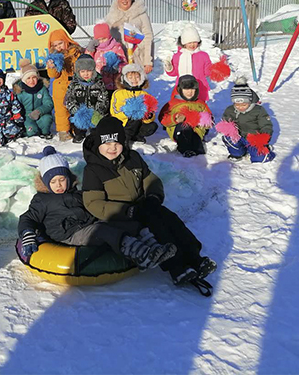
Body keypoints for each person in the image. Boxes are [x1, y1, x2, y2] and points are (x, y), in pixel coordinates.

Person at [82, 116, 217, 295]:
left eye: (117, 143)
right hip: (119, 217)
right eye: (107, 144)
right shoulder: (93, 170)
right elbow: (94, 203)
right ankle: (177, 268)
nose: (112, 148)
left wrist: (153, 195)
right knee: (157, 228)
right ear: (99, 144)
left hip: (143, 207)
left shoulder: (133, 158)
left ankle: (195, 258)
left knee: (170, 219)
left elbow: (150, 179)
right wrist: (126, 211)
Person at [18, 147, 174, 269]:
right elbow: (27, 218)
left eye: (62, 179)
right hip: (69, 234)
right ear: (45, 183)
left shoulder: (77, 194)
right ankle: (142, 256)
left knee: (128, 223)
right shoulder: (42, 199)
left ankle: (155, 249)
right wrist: (28, 234)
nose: (59, 185)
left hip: (89, 225)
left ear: (68, 178)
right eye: (53, 181)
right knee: (105, 232)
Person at [216, 77, 276, 163]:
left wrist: (263, 138)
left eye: (244, 105)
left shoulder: (258, 110)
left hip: (254, 138)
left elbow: (266, 125)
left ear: (249, 101)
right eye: (237, 105)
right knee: (228, 138)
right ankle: (237, 153)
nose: (240, 107)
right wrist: (227, 126)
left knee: (259, 159)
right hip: (239, 136)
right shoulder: (230, 110)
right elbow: (226, 119)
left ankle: (266, 151)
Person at [104, 0, 154, 75]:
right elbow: (105, 37)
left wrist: (148, 61)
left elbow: (148, 36)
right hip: (118, 58)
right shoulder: (112, 15)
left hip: (137, 56)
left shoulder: (141, 13)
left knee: (137, 84)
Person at [159, 75, 213, 158]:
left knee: (196, 139)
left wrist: (207, 121)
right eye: (186, 89)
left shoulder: (201, 103)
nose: (189, 92)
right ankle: (185, 149)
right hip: (179, 131)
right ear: (180, 89)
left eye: (192, 89)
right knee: (185, 128)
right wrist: (174, 118)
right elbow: (162, 118)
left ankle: (198, 152)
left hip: (196, 130)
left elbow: (209, 115)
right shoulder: (173, 103)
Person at [46, 29, 85, 141]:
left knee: (76, 107)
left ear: (66, 40)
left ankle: (77, 128)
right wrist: (52, 66)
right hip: (60, 86)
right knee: (61, 110)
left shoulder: (75, 52)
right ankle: (63, 131)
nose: (58, 47)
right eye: (55, 45)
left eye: (60, 43)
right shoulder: (53, 56)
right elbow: (53, 75)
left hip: (75, 84)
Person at [63, 54, 110, 142]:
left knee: (97, 124)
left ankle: (94, 133)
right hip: (80, 112)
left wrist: (98, 110)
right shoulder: (74, 84)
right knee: (78, 123)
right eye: (83, 71)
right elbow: (69, 99)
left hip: (94, 111)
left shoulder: (99, 83)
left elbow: (103, 98)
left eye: (88, 71)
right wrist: (75, 110)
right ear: (78, 72)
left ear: (93, 70)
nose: (86, 74)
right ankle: (79, 134)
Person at [110, 63, 159, 143]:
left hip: (139, 123)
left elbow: (152, 111)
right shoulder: (118, 93)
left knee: (152, 126)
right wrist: (126, 113)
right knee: (133, 118)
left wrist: (148, 116)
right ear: (124, 79)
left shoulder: (144, 95)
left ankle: (137, 136)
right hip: (123, 124)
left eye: (137, 77)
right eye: (130, 77)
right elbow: (114, 112)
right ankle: (124, 139)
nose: (134, 80)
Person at [163, 24, 213, 102]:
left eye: (194, 42)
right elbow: (174, 72)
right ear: (184, 43)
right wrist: (170, 68)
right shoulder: (178, 56)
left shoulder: (203, 55)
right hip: (182, 87)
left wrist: (215, 69)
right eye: (189, 42)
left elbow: (207, 72)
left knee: (198, 108)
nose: (192, 45)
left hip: (199, 87)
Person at [12, 59, 54, 139]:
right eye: (28, 78)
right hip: (27, 116)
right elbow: (16, 107)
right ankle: (30, 131)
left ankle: (45, 133)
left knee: (47, 120)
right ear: (24, 80)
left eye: (34, 77)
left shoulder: (42, 88)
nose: (31, 81)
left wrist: (39, 111)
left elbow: (49, 103)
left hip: (40, 113)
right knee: (32, 131)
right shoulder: (20, 91)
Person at [88, 22, 127, 95]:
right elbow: (87, 61)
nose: (102, 41)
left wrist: (117, 68)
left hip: (114, 84)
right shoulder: (95, 49)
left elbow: (123, 62)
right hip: (99, 83)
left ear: (109, 37)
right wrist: (90, 50)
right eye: (99, 40)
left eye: (104, 39)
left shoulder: (116, 47)